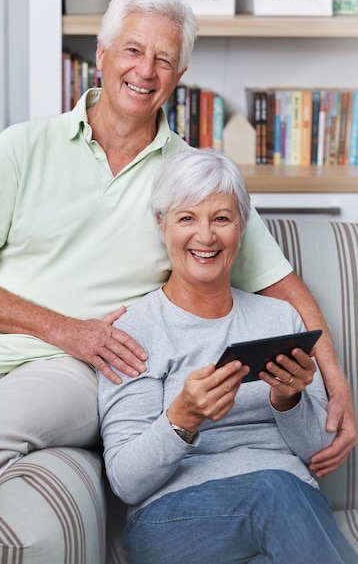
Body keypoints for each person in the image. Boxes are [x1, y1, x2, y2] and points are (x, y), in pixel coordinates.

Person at [0, 0, 355, 563]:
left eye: (164, 59)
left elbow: (285, 287)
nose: (145, 70)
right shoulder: (21, 149)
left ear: (179, 76)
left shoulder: (191, 183)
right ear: (100, 56)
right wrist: (67, 327)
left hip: (72, 369)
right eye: (132, 50)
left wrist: (336, 386)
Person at [98, 149, 358, 564]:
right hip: (175, 519)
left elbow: (320, 451)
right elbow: (126, 481)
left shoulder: (280, 318)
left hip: (290, 509)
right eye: (187, 218)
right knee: (273, 491)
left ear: (241, 226)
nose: (206, 236)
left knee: (277, 500)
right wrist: (182, 417)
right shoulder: (134, 331)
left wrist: (288, 402)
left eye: (221, 218)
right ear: (161, 224)